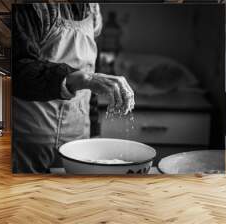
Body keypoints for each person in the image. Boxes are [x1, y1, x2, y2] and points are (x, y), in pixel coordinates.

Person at [12, 3, 135, 173]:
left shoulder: (93, 11)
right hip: (31, 140)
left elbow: (91, 75)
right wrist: (82, 78)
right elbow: (19, 70)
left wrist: (94, 133)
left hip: (78, 140)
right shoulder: (33, 8)